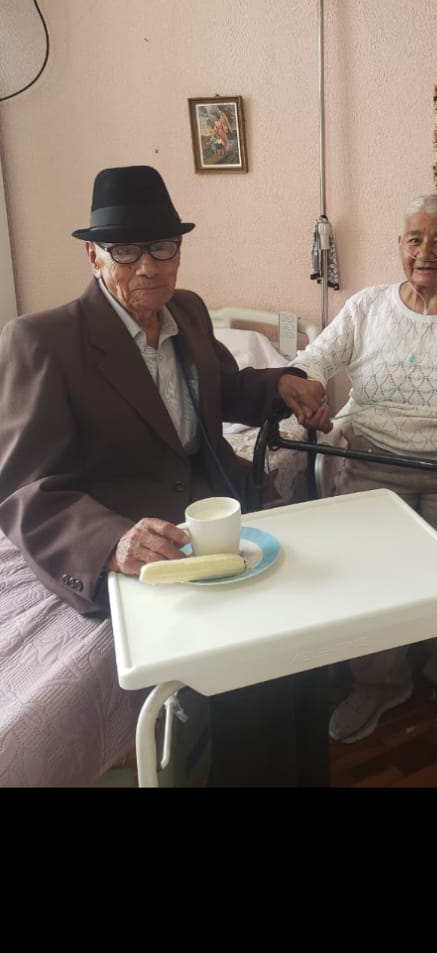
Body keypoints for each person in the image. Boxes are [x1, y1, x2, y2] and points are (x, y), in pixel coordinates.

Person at [0, 165, 331, 787]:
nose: (148, 266)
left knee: (309, 653)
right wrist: (111, 542)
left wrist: (279, 384)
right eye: (126, 251)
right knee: (249, 677)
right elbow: (26, 489)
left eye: (162, 247)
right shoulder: (44, 341)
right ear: (94, 255)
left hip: (220, 520)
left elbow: (222, 389)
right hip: (145, 547)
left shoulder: (189, 313)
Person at [288, 193, 437, 764]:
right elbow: (318, 356)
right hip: (375, 464)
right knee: (370, 579)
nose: (426, 252)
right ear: (399, 246)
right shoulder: (367, 306)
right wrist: (307, 383)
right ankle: (380, 682)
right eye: (415, 240)